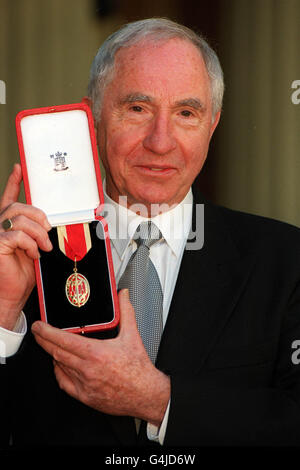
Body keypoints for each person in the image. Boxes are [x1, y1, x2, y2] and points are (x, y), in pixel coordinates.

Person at [0, 17, 300, 448]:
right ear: (94, 117)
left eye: (186, 113)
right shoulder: (24, 255)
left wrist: (159, 401)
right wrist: (3, 313)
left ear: (212, 125)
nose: (161, 142)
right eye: (137, 109)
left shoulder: (286, 261)